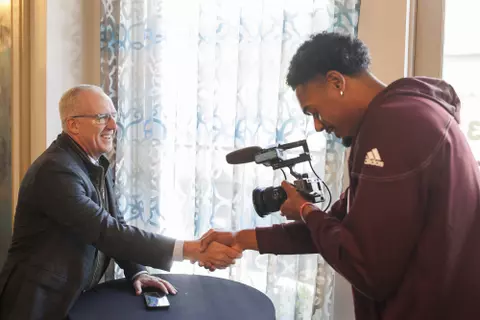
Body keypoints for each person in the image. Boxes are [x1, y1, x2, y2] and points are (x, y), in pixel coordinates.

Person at [199, 31, 480, 320]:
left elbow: (368, 270)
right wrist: (241, 239)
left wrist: (306, 210)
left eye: (314, 112)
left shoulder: (394, 126)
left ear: (336, 82)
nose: (319, 126)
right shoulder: (413, 114)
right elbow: (338, 227)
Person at [0, 85, 241, 319]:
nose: (114, 126)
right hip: (36, 303)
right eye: (102, 118)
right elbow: (106, 231)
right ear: (73, 124)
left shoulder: (94, 162)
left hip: (73, 298)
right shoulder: (55, 170)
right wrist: (193, 250)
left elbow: (115, 222)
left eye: (113, 117)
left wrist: (137, 270)